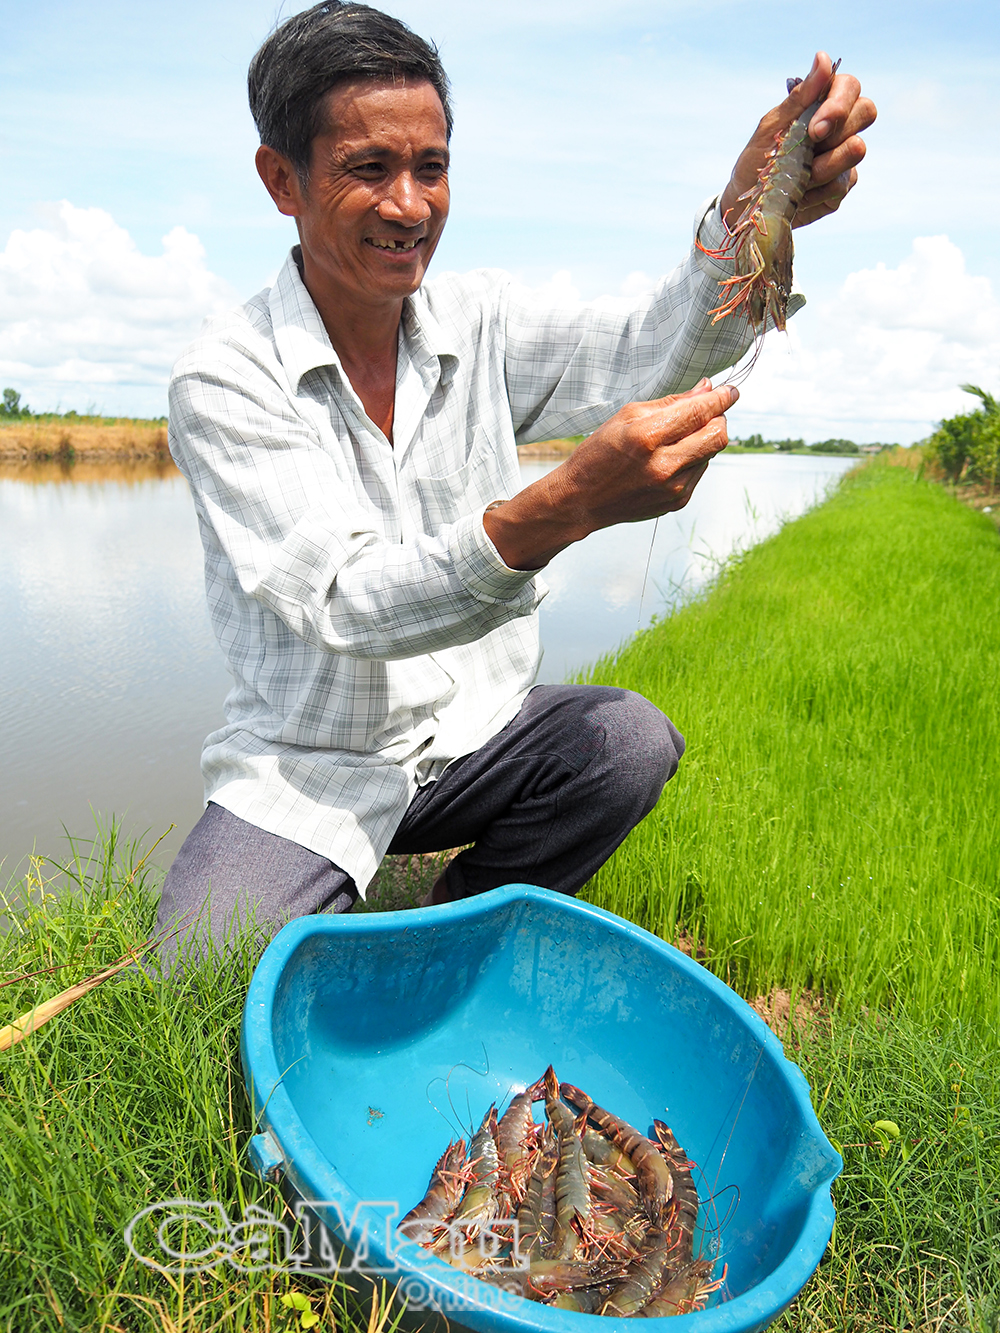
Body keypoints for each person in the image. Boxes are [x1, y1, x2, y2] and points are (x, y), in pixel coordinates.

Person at [156, 2, 875, 964]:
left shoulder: (480, 318)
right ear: (281, 179)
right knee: (196, 976)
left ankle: (449, 926)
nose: (410, 205)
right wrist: (565, 506)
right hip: (310, 764)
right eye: (369, 169)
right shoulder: (225, 378)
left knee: (624, 743)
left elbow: (646, 358)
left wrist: (748, 210)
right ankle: (325, 903)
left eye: (432, 168)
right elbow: (346, 601)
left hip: (474, 734)